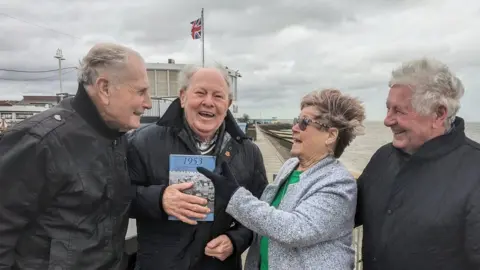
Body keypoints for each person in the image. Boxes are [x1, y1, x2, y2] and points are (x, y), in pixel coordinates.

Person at [0, 43, 152, 269]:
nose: (148, 103)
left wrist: (159, 199)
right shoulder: (41, 141)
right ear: (105, 88)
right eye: (140, 91)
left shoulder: (115, 136)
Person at [198, 89, 366, 270]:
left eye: (304, 123)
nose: (294, 127)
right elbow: (265, 220)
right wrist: (233, 238)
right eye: (296, 121)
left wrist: (234, 195)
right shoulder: (291, 166)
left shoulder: (339, 183)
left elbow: (295, 230)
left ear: (330, 135)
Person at [127, 64, 268, 270]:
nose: (208, 102)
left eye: (218, 96)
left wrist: (235, 239)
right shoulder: (143, 142)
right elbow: (116, 197)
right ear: (183, 97)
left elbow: (262, 211)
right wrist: (159, 199)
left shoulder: (248, 152)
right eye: (200, 93)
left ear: (228, 103)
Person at [355, 58, 480, 269]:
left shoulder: (475, 171)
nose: (387, 120)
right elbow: (345, 214)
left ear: (438, 114)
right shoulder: (383, 157)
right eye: (388, 109)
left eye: (399, 111)